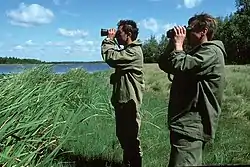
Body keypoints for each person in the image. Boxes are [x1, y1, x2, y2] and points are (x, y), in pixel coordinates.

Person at [158, 13, 226, 166]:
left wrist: (178, 46)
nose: (186, 33)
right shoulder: (197, 52)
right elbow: (164, 64)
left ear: (204, 31)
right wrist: (172, 43)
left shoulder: (211, 52)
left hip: (193, 124)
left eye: (190, 29)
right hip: (184, 123)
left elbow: (181, 66)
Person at [101, 20, 145, 167]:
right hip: (123, 102)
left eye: (119, 33)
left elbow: (112, 58)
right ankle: (128, 163)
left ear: (129, 34)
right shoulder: (127, 50)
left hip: (130, 103)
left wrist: (108, 40)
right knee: (124, 137)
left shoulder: (133, 51)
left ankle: (134, 164)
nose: (117, 36)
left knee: (132, 138)